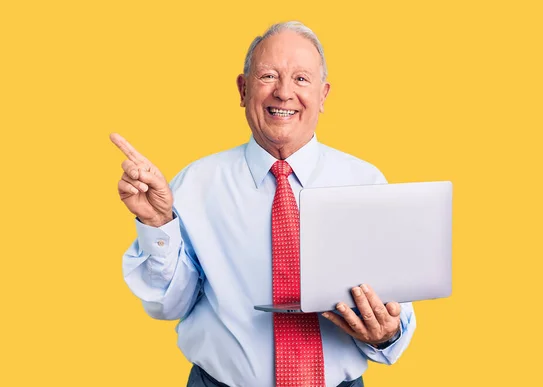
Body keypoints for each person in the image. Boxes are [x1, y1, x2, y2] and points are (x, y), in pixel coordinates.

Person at [111, 21, 416, 387]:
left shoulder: (367, 184)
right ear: (243, 89)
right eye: (268, 76)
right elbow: (167, 306)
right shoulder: (195, 183)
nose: (284, 93)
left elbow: (395, 321)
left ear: (324, 95)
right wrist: (158, 222)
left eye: (302, 79)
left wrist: (385, 333)